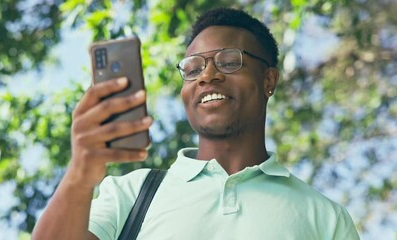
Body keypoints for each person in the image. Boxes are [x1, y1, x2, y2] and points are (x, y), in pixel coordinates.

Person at [32, 8, 360, 240]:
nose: (207, 75)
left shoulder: (325, 218)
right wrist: (79, 175)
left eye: (229, 61)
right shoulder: (132, 193)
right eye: (192, 68)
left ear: (268, 80)